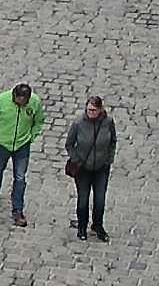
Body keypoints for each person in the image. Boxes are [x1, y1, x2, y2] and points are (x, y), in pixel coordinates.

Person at [0, 83, 45, 226]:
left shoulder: (35, 103)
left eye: (25, 101)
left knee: (20, 177)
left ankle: (18, 210)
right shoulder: (0, 101)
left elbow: (39, 121)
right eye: (19, 100)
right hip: (2, 144)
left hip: (22, 145)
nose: (22, 103)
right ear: (14, 96)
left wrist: (31, 137)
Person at [65, 97, 117, 242]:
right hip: (83, 168)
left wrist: (108, 159)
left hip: (101, 168)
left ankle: (98, 225)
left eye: (94, 110)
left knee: (100, 200)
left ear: (100, 110)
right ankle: (82, 227)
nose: (91, 113)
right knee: (83, 199)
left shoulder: (108, 122)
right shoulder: (78, 124)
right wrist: (77, 159)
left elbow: (113, 141)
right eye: (89, 110)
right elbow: (69, 144)